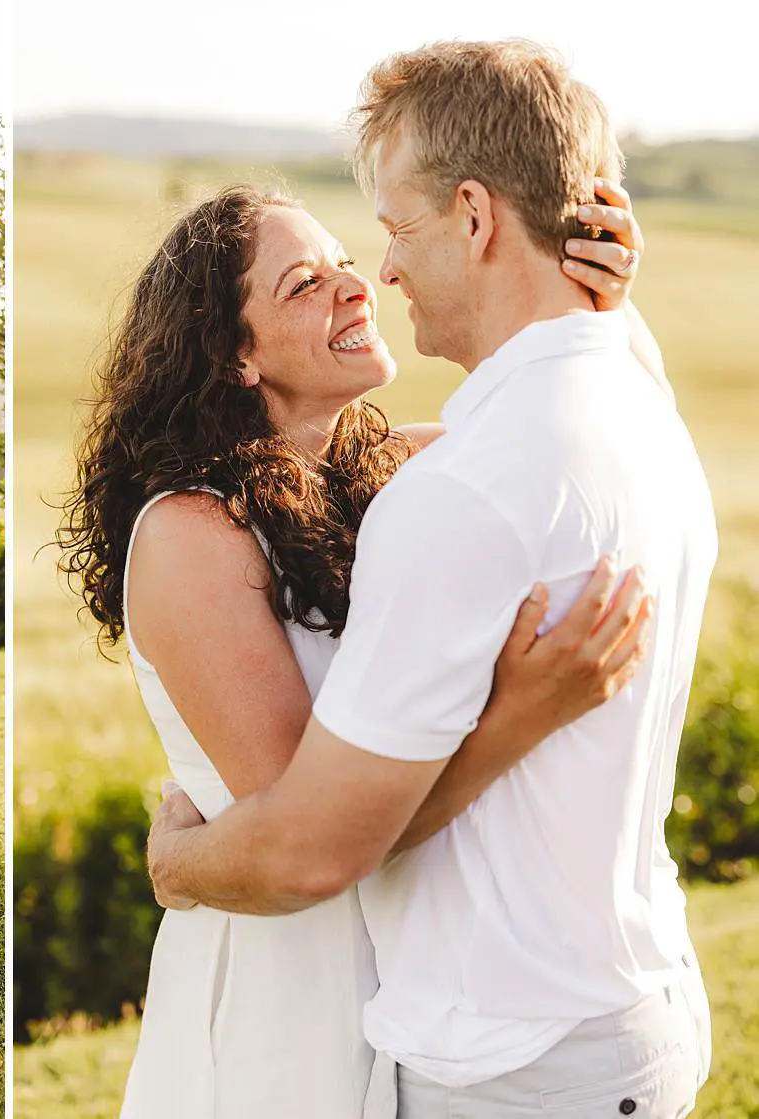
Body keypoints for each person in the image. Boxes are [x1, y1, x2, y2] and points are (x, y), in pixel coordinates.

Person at [140, 41, 714, 1117]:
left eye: (391, 231)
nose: (382, 271)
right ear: (237, 356)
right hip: (571, 1009)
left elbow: (315, 844)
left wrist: (178, 869)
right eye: (310, 278)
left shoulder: (452, 486)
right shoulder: (631, 403)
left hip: (514, 1053)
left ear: (475, 215)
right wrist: (600, 293)